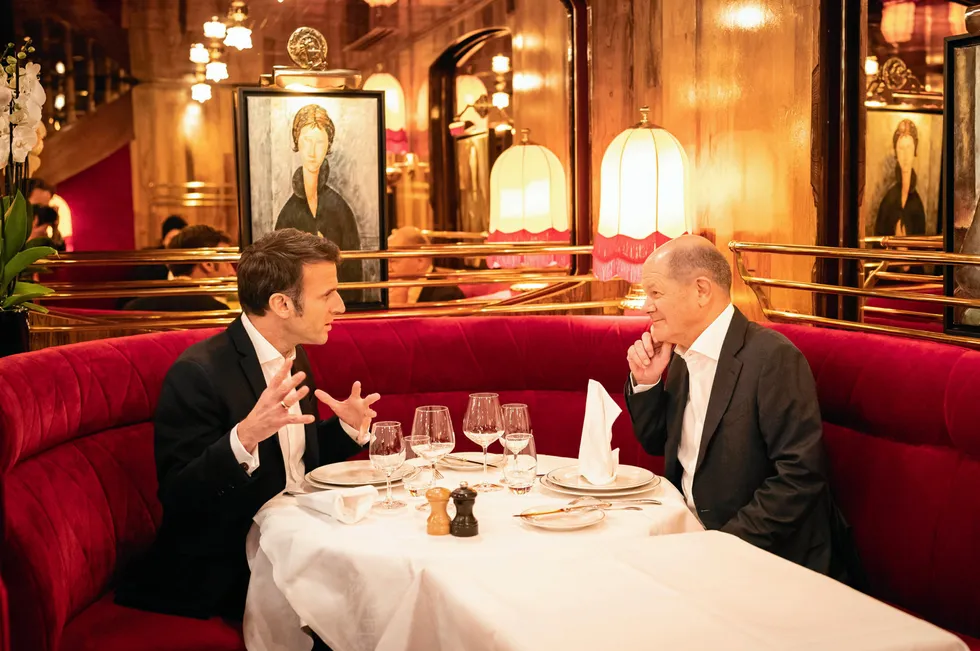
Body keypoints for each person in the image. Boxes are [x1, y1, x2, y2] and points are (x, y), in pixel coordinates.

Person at [115, 229, 380, 651]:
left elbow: (293, 469)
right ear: (281, 304)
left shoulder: (294, 352)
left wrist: (345, 429)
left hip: (296, 540)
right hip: (226, 563)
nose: (340, 306)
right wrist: (244, 438)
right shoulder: (198, 373)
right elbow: (180, 496)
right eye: (328, 294)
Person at [624, 235, 861, 585]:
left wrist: (720, 547)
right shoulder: (677, 354)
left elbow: (800, 477)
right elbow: (656, 442)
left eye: (655, 293)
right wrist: (646, 382)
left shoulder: (772, 359)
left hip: (768, 559)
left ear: (701, 290)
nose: (646, 306)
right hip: (690, 541)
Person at [275, 104, 363, 303]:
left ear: (328, 145)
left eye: (320, 142)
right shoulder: (287, 213)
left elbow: (354, 272)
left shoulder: (340, 209)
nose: (312, 151)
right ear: (297, 141)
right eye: (307, 141)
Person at [123, 224, 238, 312]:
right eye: (227, 263)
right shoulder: (217, 312)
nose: (233, 273)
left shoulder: (134, 308)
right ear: (208, 264)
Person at [874, 119, 926, 238]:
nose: (905, 155)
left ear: (915, 150)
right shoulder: (888, 200)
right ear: (896, 152)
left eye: (909, 147)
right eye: (901, 148)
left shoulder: (917, 204)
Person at [387, 226, 465, 305]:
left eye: (393, 261)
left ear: (420, 261)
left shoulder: (448, 295)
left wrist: (398, 306)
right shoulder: (385, 289)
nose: (388, 268)